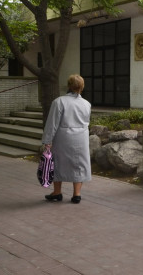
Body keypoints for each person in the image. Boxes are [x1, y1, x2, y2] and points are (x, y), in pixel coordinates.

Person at [42, 74, 92, 204]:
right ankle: (77, 194)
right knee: (79, 164)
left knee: (58, 163)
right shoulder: (87, 104)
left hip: (63, 136)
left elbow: (52, 123)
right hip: (81, 137)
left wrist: (47, 140)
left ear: (69, 86)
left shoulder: (59, 102)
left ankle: (57, 192)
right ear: (82, 87)